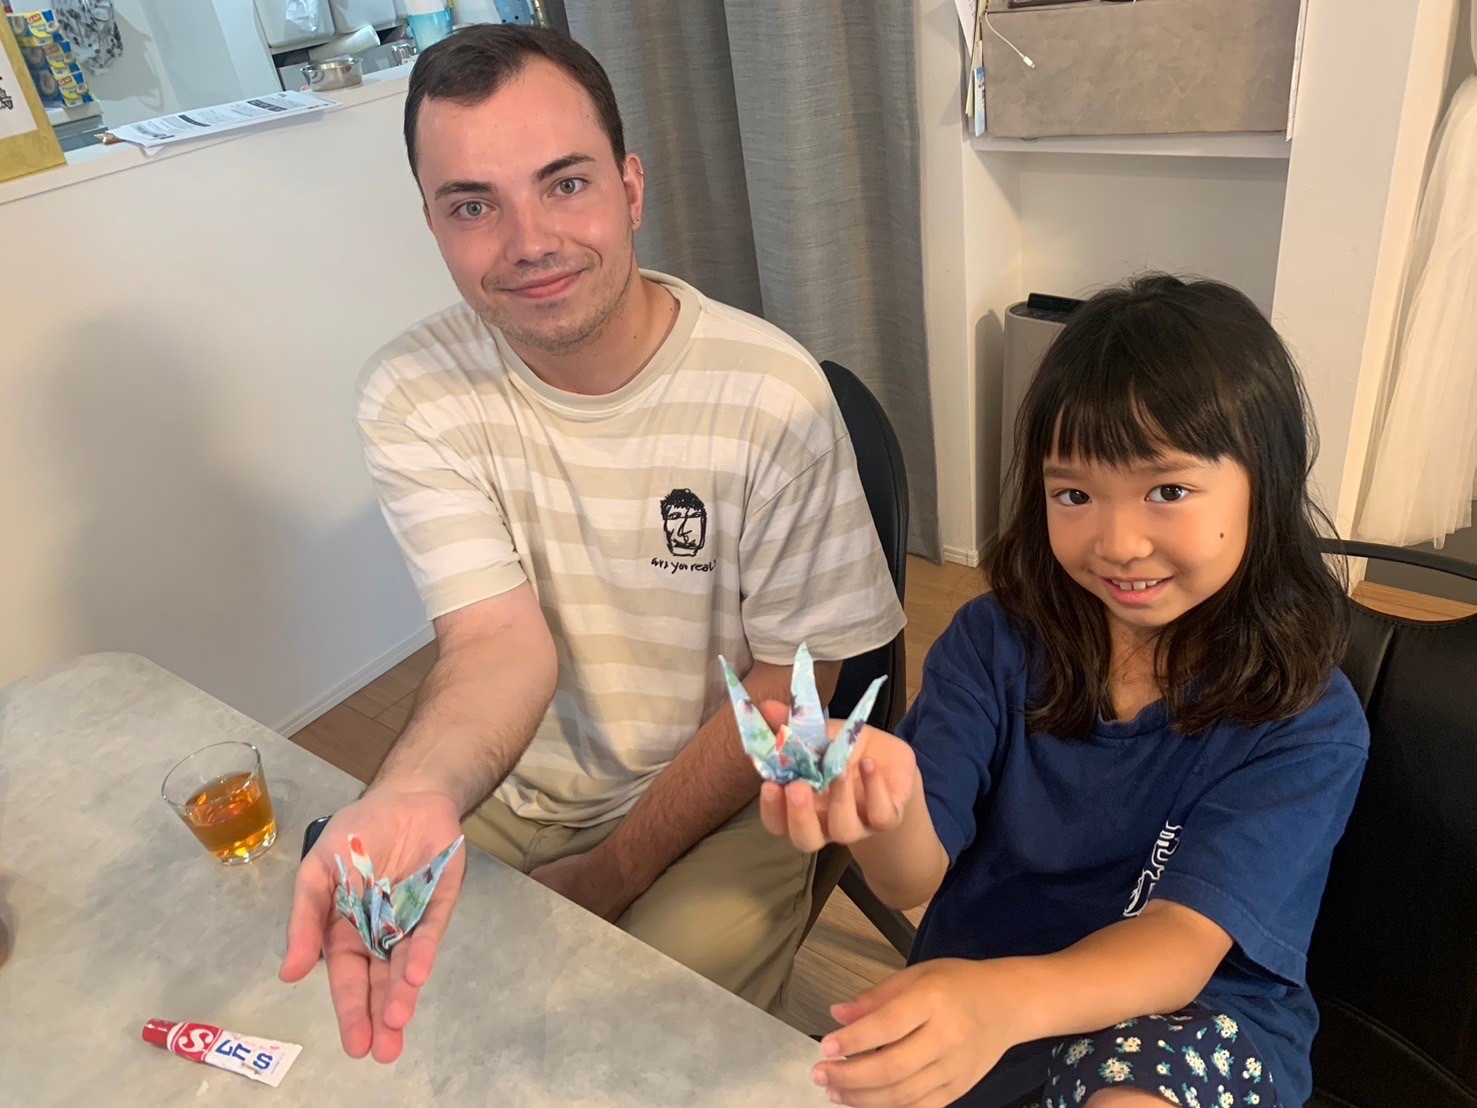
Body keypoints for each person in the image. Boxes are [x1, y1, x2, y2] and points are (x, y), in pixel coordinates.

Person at [278, 24, 905, 1063]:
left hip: (732, 784)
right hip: (524, 776)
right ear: (432, 224)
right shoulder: (411, 392)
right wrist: (412, 792)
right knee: (400, 1001)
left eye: (564, 185)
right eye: (472, 205)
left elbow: (792, 687)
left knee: (627, 1050)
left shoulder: (769, 396)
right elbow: (495, 641)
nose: (527, 241)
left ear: (630, 188)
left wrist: (612, 874)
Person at [761, 275, 1368, 1108]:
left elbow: (1179, 944)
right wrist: (877, 800)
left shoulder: (1304, 719)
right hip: (982, 999)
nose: (1117, 542)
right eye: (1073, 495)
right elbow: (908, 880)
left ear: (1264, 483)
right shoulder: (994, 642)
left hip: (1184, 1014)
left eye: (1167, 491)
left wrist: (997, 1003)